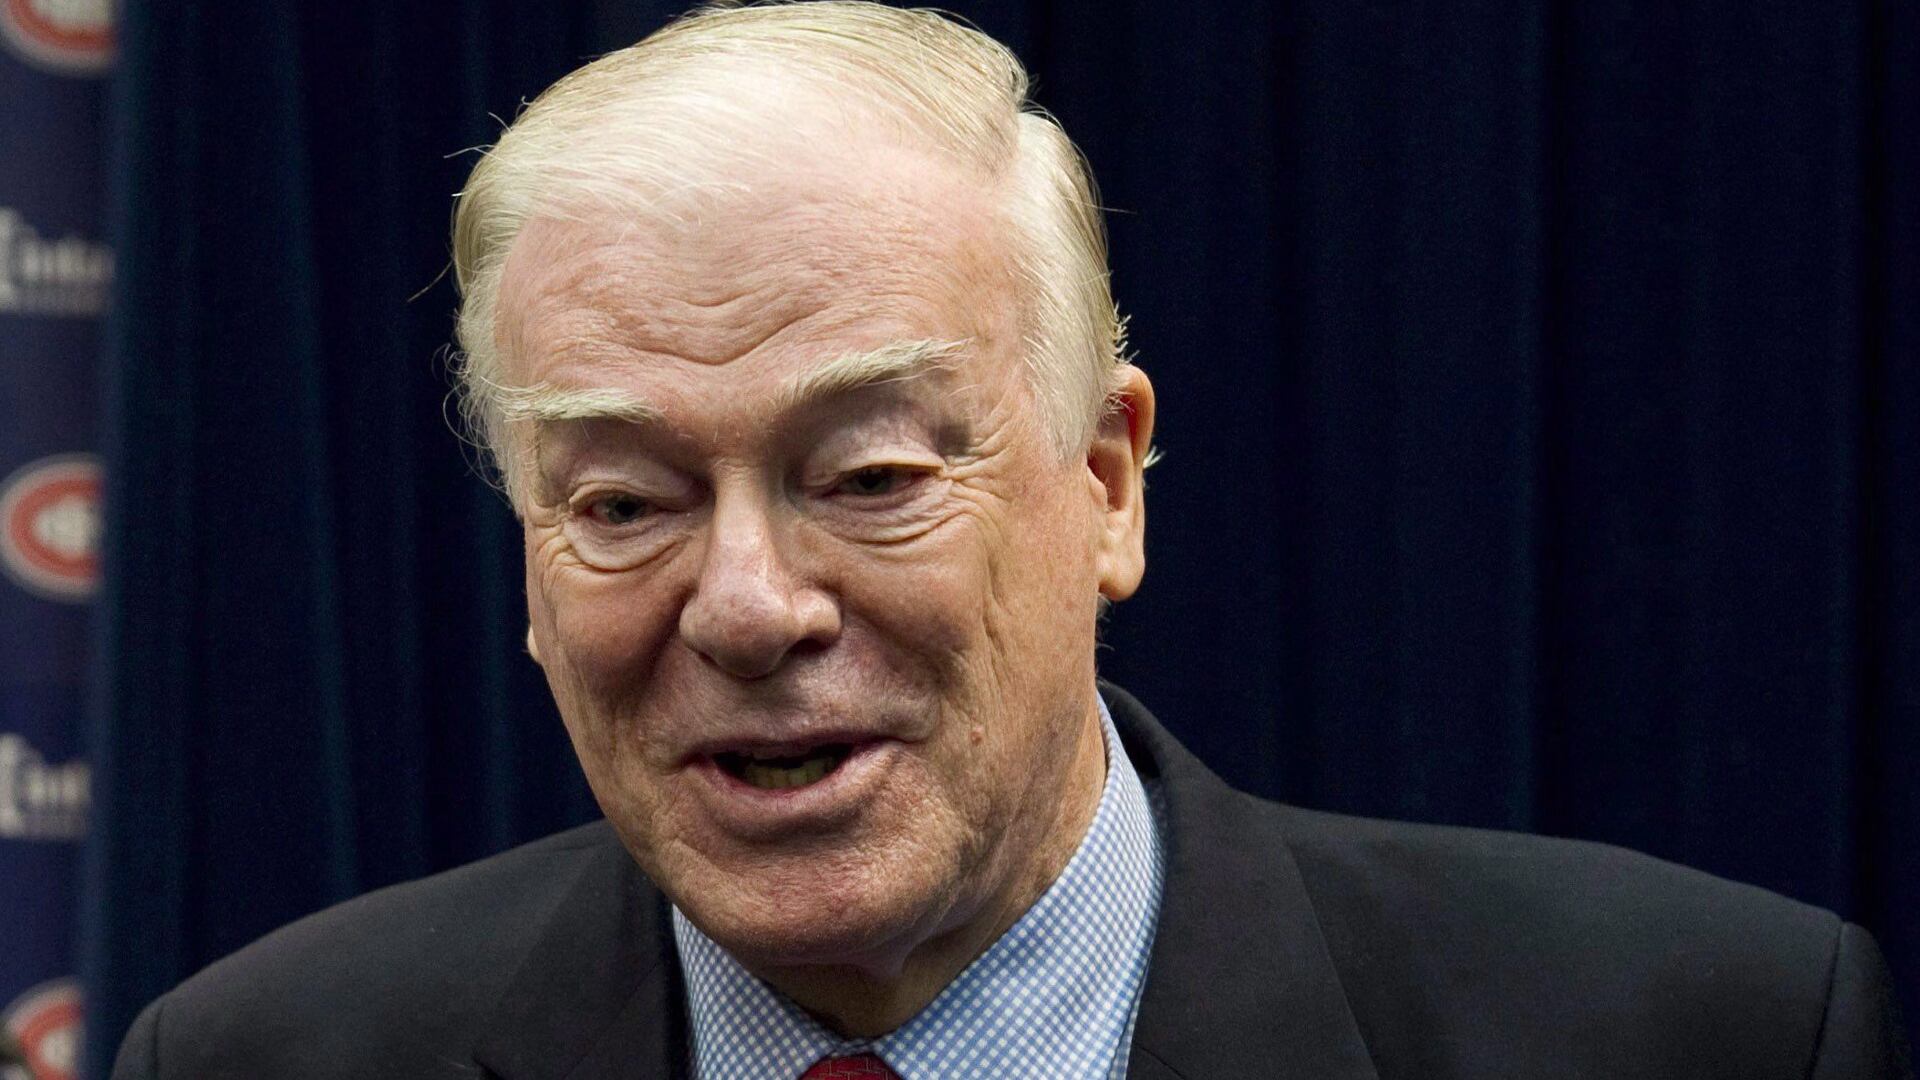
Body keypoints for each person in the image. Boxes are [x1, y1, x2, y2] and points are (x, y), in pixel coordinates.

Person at [112, 3, 1910, 1078]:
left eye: (870, 476)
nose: (746, 607)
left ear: (1107, 483)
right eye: (624, 504)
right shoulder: (263, 1059)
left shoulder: (1702, 1034)